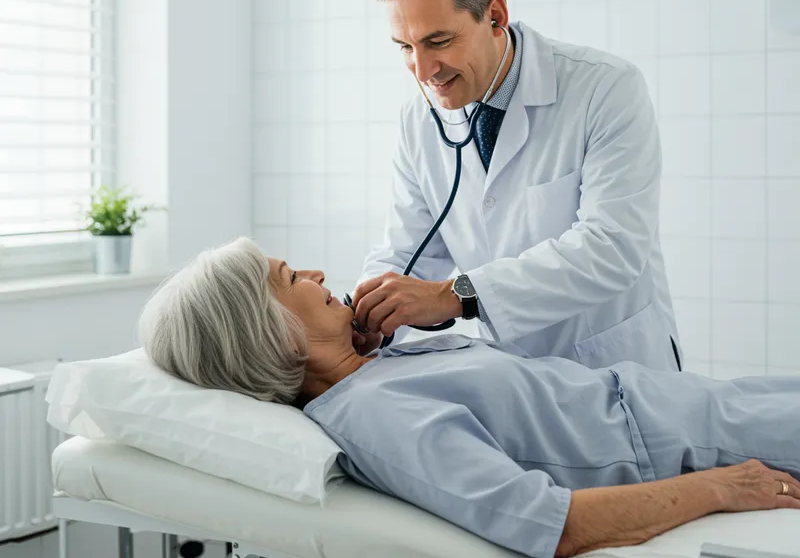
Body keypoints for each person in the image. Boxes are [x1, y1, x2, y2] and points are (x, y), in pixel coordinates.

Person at [139, 238, 800, 558]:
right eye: (291, 278)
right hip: (692, 439)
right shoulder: (374, 417)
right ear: (276, 336)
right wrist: (722, 486)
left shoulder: (374, 367)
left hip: (692, 401)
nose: (314, 272)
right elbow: (551, 522)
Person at [351, 0, 681, 372]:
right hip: (515, 382)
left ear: (495, 16)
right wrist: (367, 316)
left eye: (438, 41)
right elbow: (408, 251)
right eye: (404, 47)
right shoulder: (418, 120)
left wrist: (455, 296)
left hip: (617, 367)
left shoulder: (605, 88)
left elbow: (612, 248)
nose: (422, 70)